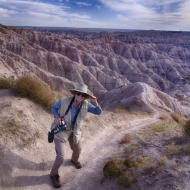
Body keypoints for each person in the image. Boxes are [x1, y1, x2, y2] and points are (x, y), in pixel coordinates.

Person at [49, 83, 102, 188]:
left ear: (85, 97)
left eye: (83, 95)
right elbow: (53, 108)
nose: (80, 96)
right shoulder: (64, 101)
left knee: (78, 150)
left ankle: (74, 160)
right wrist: (57, 117)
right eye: (78, 93)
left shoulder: (86, 105)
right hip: (62, 131)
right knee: (61, 157)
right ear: (75, 93)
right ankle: (54, 175)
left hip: (75, 131)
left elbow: (98, 112)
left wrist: (96, 103)